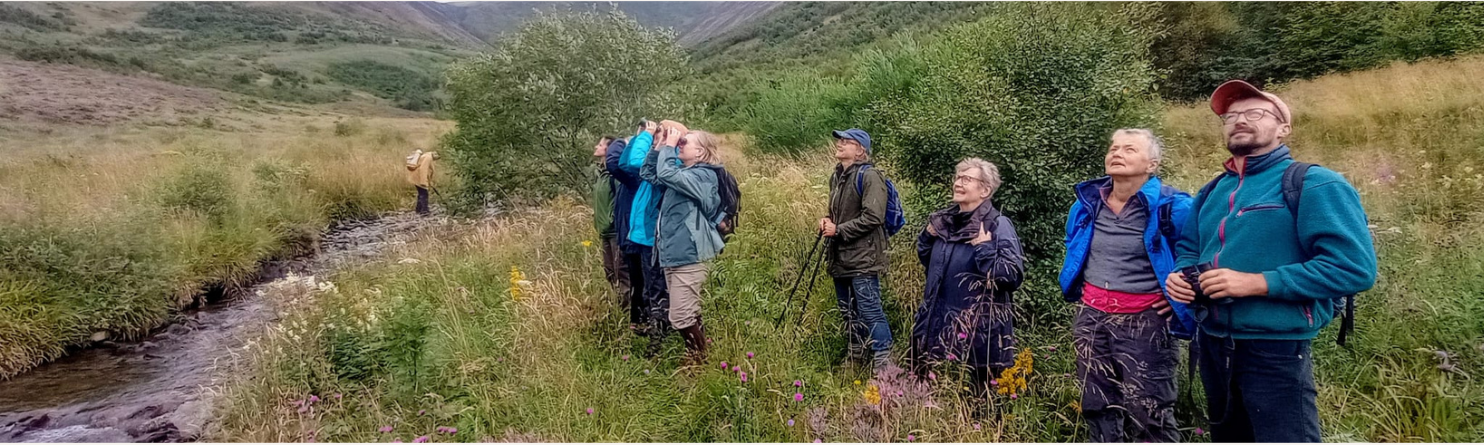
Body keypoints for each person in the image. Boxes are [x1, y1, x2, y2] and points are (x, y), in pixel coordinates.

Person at [1165, 80, 1377, 442]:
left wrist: (1257, 282)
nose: (1239, 120)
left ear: (1284, 128)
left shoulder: (1314, 183)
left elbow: (1354, 267)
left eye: (1255, 113)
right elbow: (1189, 247)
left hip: (1275, 348)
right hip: (1213, 342)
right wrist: (1180, 277)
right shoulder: (1213, 190)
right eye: (1231, 116)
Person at [1059, 129, 1193, 442]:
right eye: (1114, 148)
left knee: (1149, 409)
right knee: (1096, 402)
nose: (1117, 153)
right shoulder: (1087, 204)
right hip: (1091, 316)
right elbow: (1073, 243)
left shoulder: (1175, 207)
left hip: (1146, 319)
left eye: (1130, 149)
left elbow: (1201, 255)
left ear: (1153, 164)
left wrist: (1178, 296)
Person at [913, 158, 1024, 398]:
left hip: (979, 337)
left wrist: (984, 249)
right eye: (957, 177)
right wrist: (926, 238)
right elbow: (931, 264)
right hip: (936, 326)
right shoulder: (944, 222)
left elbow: (1012, 276)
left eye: (967, 178)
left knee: (977, 410)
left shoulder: (997, 225)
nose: (958, 183)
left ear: (985, 190)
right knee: (935, 407)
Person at [640, 128, 726, 365]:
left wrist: (669, 145)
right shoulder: (684, 173)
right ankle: (701, 357)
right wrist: (659, 146)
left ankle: (698, 359)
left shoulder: (703, 177)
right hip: (674, 253)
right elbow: (649, 172)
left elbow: (666, 173)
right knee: (689, 312)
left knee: (679, 316)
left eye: (685, 142)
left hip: (691, 255)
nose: (679, 144)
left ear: (700, 151)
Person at [821, 128, 895, 373]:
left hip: (864, 257)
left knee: (870, 309)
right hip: (840, 256)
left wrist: (838, 229)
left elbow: (874, 216)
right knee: (847, 310)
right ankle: (855, 357)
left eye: (847, 141)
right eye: (839, 140)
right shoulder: (838, 175)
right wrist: (827, 221)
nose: (840, 144)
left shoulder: (870, 176)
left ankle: (884, 367)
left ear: (860, 150)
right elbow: (838, 213)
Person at [623, 120, 685, 357]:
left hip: (654, 236)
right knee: (651, 290)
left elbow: (638, 163)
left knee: (658, 290)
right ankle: (654, 332)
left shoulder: (673, 162)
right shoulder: (660, 159)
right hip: (644, 234)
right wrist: (642, 136)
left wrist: (651, 140)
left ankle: (661, 341)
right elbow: (629, 163)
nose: (654, 135)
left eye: (659, 131)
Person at [607, 124, 648, 332]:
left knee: (640, 281)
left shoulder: (636, 177)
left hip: (636, 238)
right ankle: (639, 320)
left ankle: (642, 322)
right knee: (637, 281)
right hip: (630, 235)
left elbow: (614, 163)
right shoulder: (631, 179)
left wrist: (623, 141)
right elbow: (620, 163)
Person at [592, 135, 633, 312]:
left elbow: (621, 201)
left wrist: (612, 220)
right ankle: (619, 306)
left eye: (600, 144)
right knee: (609, 271)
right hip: (604, 231)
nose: (596, 146)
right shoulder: (601, 175)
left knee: (621, 271)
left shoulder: (613, 177)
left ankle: (630, 311)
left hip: (615, 230)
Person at [406, 149, 438, 216]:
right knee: (424, 194)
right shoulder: (428, 158)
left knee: (421, 193)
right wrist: (423, 182)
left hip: (417, 177)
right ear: (435, 154)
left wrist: (429, 182)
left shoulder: (427, 156)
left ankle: (419, 209)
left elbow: (428, 171)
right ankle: (424, 211)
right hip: (419, 178)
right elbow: (423, 169)